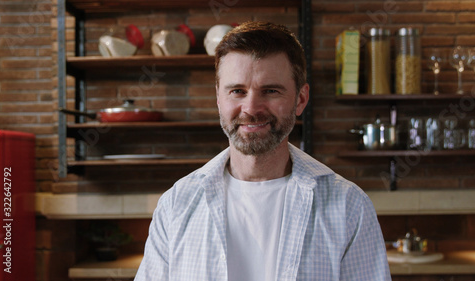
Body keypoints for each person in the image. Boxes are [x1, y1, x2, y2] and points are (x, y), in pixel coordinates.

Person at [134, 21, 391, 281]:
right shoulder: (175, 205)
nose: (251, 108)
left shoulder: (349, 207)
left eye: (270, 91)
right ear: (219, 99)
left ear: (300, 99)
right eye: (237, 91)